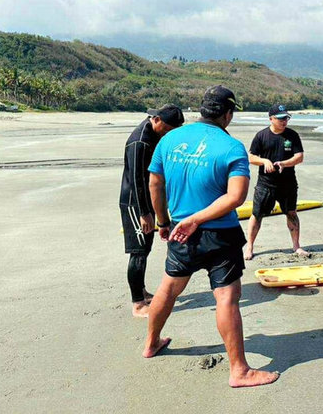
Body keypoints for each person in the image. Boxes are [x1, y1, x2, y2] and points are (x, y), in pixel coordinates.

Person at [143, 85, 279, 388]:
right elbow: (236, 197)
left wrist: (164, 221)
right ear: (228, 114)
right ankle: (239, 370)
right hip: (220, 235)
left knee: (168, 289)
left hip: (180, 232)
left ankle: (151, 343)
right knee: (227, 297)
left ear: (202, 109)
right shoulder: (231, 147)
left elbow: (154, 183)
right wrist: (197, 218)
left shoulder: (170, 139)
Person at [118, 104, 184, 317]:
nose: (167, 134)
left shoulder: (154, 134)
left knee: (144, 249)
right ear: (155, 120)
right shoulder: (140, 142)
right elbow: (137, 180)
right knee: (138, 252)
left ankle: (142, 291)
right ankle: (137, 304)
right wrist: (144, 213)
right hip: (134, 204)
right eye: (166, 129)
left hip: (146, 201)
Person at [244, 104, 307, 260]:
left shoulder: (292, 135)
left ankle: (296, 246)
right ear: (271, 119)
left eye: (286, 118)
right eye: (280, 118)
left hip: (288, 183)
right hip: (266, 184)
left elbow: (299, 157)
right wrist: (264, 161)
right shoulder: (261, 136)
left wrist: (284, 163)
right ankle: (250, 247)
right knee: (257, 214)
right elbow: (251, 157)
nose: (284, 121)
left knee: (291, 213)